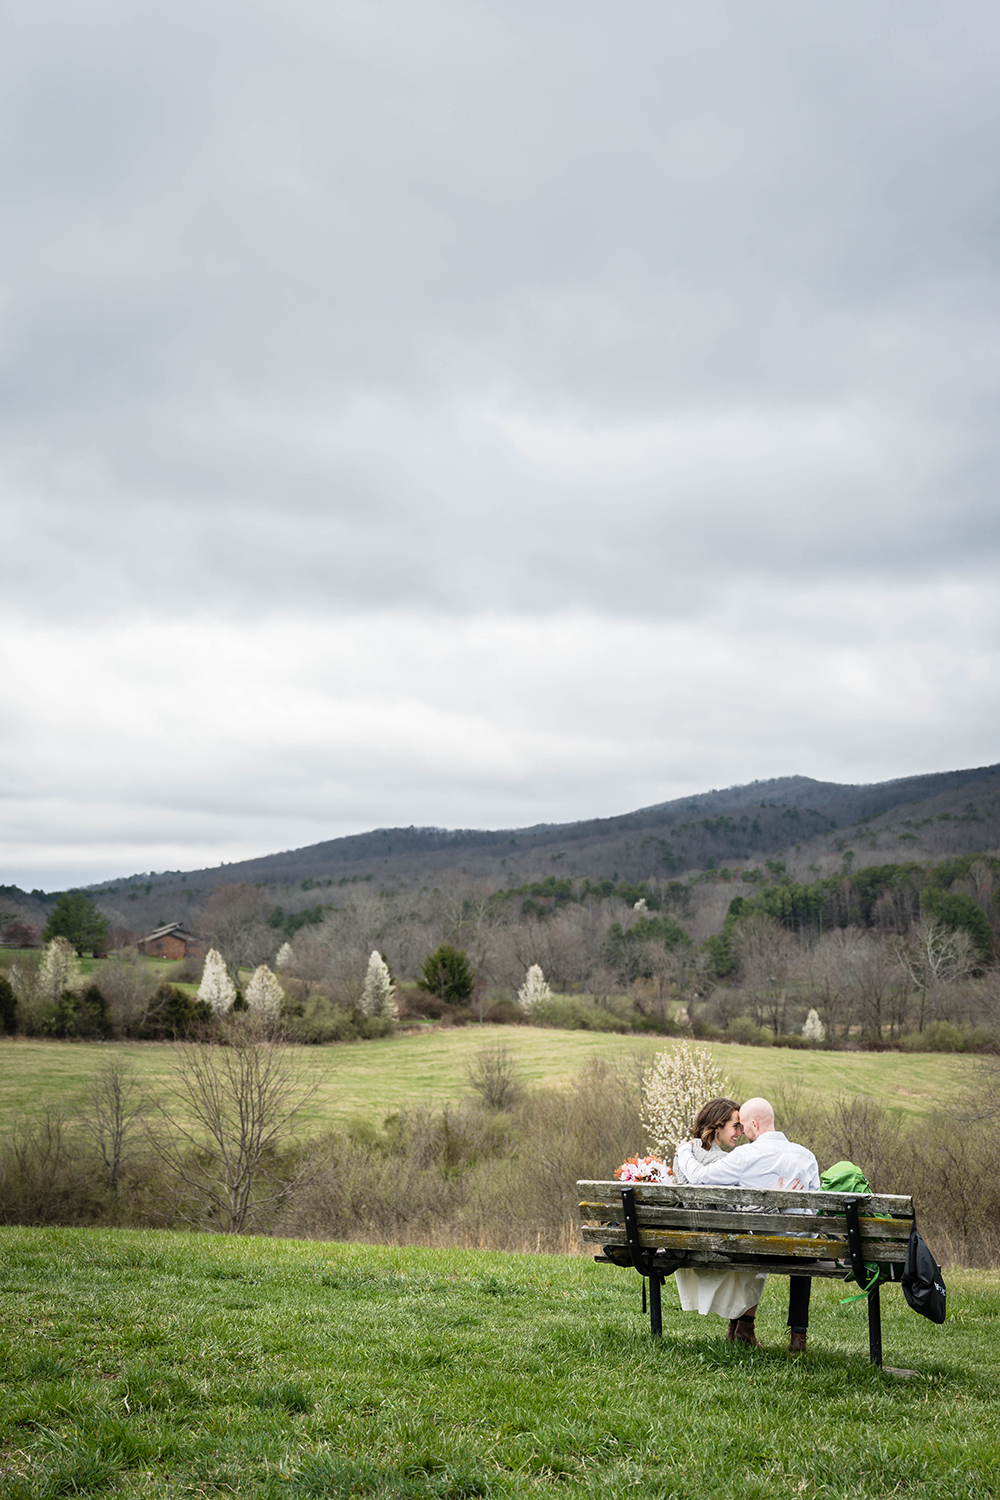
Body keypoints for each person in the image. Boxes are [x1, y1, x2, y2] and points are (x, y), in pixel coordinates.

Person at [673, 1096, 820, 1354]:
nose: (741, 1132)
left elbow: (700, 1178)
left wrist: (684, 1151)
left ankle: (741, 1327)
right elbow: (816, 1208)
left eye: (742, 1125)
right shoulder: (806, 1156)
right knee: (801, 1242)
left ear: (753, 1123)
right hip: (803, 1251)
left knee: (750, 1239)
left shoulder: (744, 1156)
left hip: (761, 1248)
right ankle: (798, 1339)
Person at [671, 1098, 768, 1345]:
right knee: (763, 1251)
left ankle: (738, 1329)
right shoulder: (720, 1163)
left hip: (684, 1244)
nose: (741, 1132)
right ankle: (744, 1330)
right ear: (717, 1127)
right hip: (713, 1250)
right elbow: (738, 1210)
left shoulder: (685, 1152)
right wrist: (774, 1198)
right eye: (736, 1126)